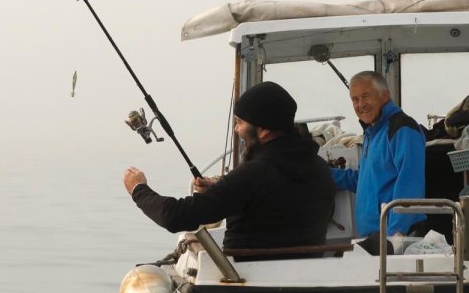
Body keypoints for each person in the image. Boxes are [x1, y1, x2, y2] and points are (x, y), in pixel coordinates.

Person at [122, 81, 336, 254]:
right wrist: (222, 186)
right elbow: (275, 199)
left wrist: (139, 190)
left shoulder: (253, 175)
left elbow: (175, 216)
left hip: (249, 282)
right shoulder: (319, 167)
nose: (236, 130)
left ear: (262, 127)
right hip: (306, 276)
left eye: (240, 122)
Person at [331, 70, 426, 239]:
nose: (360, 105)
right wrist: (323, 173)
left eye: (366, 96)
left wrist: (395, 236)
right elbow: (365, 181)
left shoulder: (402, 128)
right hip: (376, 237)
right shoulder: (372, 132)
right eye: (355, 99)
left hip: (397, 236)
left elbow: (410, 185)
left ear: (385, 95)